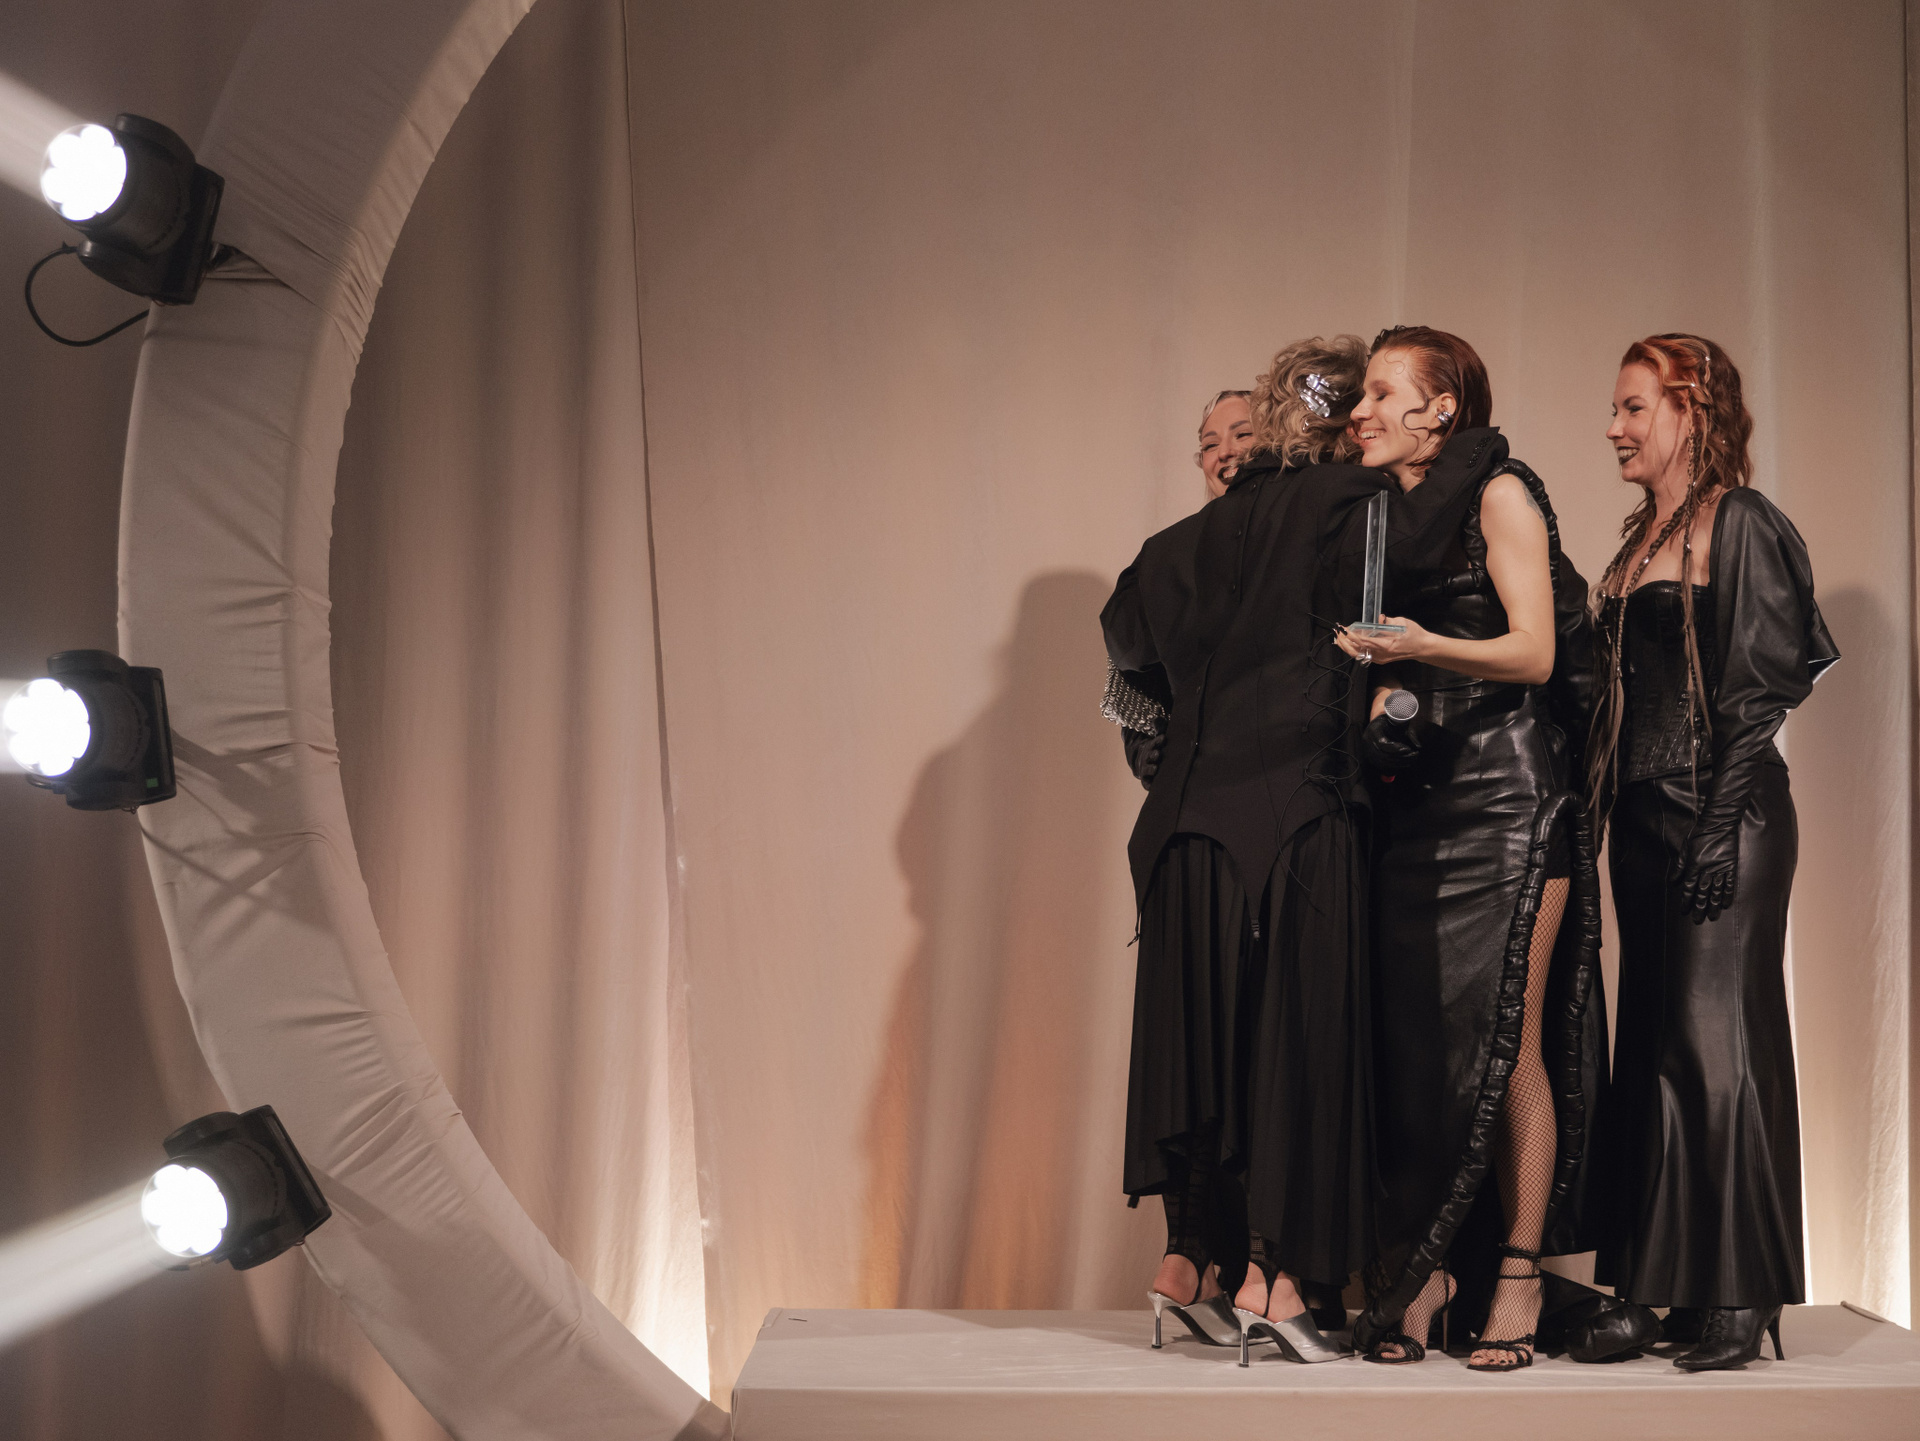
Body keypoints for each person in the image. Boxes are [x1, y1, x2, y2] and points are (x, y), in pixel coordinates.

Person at [1102, 335, 1382, 1363]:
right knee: (1286, 1047)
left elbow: (1129, 657)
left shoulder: (1170, 550)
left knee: (1204, 1055)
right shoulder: (1347, 507)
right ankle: (1276, 1275)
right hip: (1294, 819)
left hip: (1184, 837)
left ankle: (1187, 1264)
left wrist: (1173, 756)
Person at [1336, 326, 1605, 1372]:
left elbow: (1534, 651)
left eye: (1381, 392)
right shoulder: (1376, 514)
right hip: (1419, 800)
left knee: (1510, 1043)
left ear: (1440, 408)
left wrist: (1417, 644)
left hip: (1511, 796)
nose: (1360, 410)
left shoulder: (1501, 491)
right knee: (1417, 1046)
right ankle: (1425, 1273)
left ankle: (1519, 1273)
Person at [1588, 334, 1836, 1371]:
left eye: (1634, 406)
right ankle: (1665, 1286)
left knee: (1718, 1041)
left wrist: (1718, 824)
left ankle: (1742, 1286)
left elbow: (1763, 686)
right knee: (1654, 1045)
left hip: (1721, 810)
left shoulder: (1742, 521)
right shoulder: (1641, 538)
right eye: (1617, 408)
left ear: (1691, 409)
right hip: (1642, 818)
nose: (1614, 426)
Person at [1113, 389, 1257, 791]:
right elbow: (1137, 674)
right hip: (1200, 785)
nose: (1226, 452)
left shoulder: (1309, 537)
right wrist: (1143, 742)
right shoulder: (1166, 558)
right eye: (1210, 445)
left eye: (1243, 434)